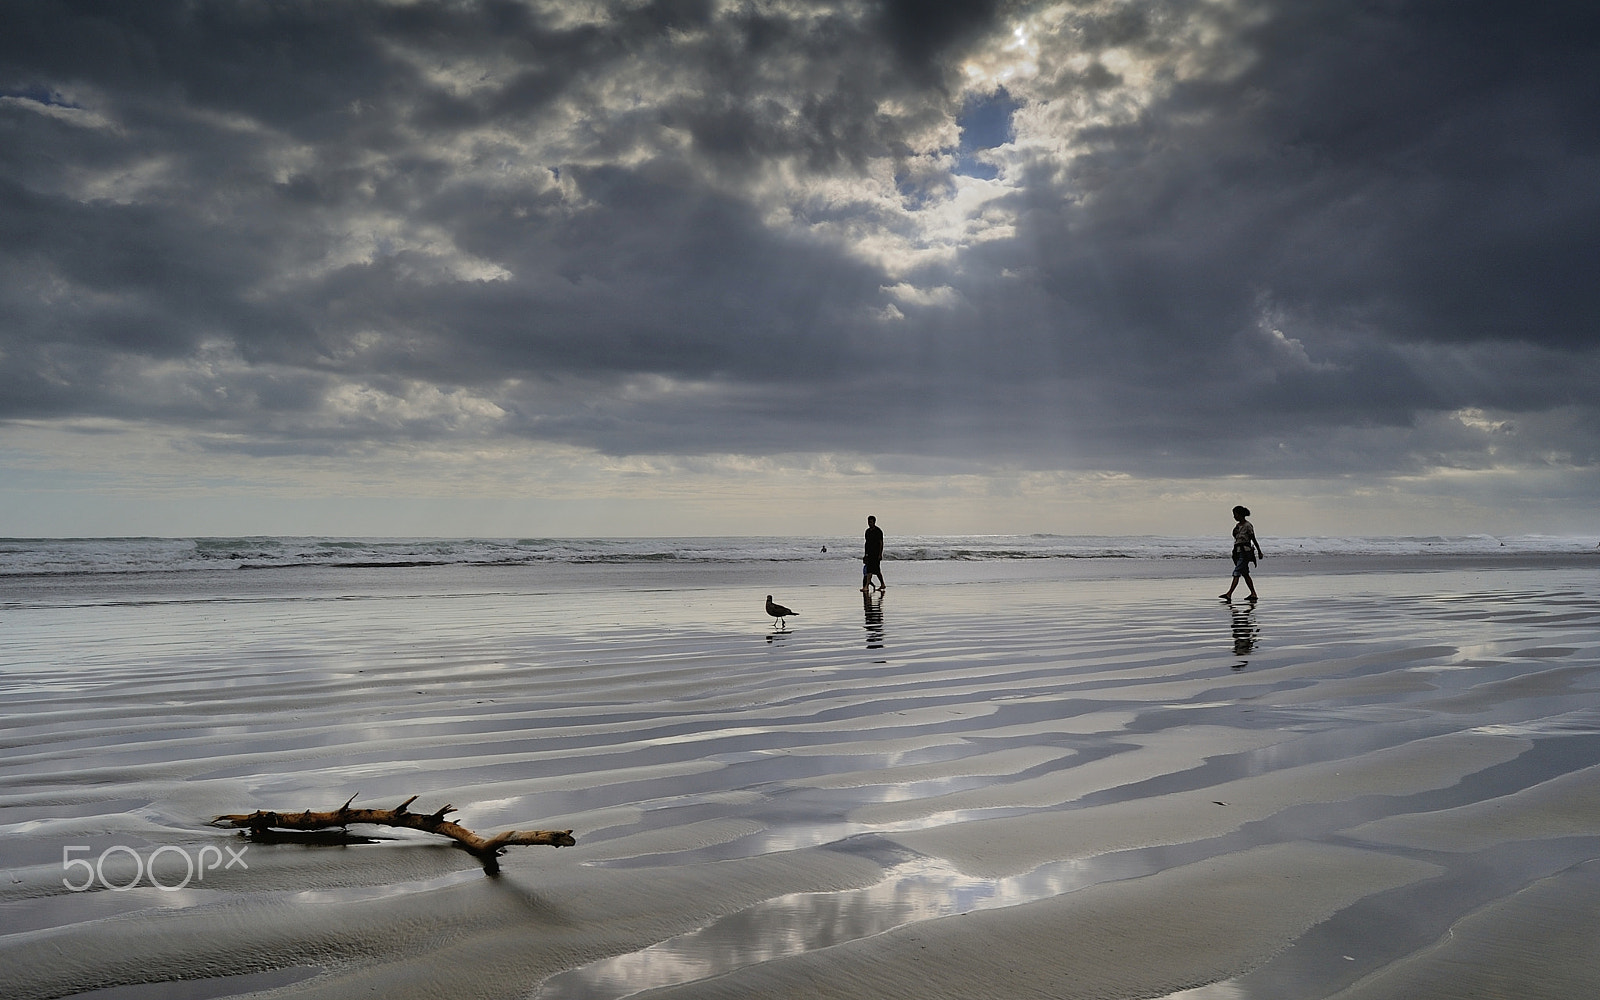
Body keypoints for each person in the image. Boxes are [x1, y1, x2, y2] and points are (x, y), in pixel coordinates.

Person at [1220, 505, 1264, 601]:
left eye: (1235, 514)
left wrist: (1259, 551)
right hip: (1238, 551)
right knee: (1245, 573)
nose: (1234, 517)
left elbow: (1253, 539)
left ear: (1240, 515)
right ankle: (1253, 594)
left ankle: (1229, 593)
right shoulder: (1237, 526)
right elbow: (1235, 537)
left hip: (1245, 552)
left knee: (1236, 572)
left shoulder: (1248, 525)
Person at [861, 515, 886, 592]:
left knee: (872, 570)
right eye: (868, 522)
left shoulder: (878, 531)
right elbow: (866, 543)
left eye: (871, 522)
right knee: (873, 570)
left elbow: (881, 543)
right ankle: (882, 584)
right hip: (869, 553)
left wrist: (880, 554)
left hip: (876, 553)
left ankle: (867, 586)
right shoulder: (867, 531)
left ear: (874, 522)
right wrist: (865, 554)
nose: (869, 523)